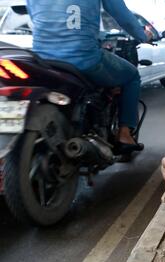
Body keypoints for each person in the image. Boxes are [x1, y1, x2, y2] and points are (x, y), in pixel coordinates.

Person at [26, 0, 153, 154]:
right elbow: (122, 15)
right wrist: (143, 35)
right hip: (83, 59)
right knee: (132, 76)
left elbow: (36, 18)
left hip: (43, 60)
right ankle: (124, 134)